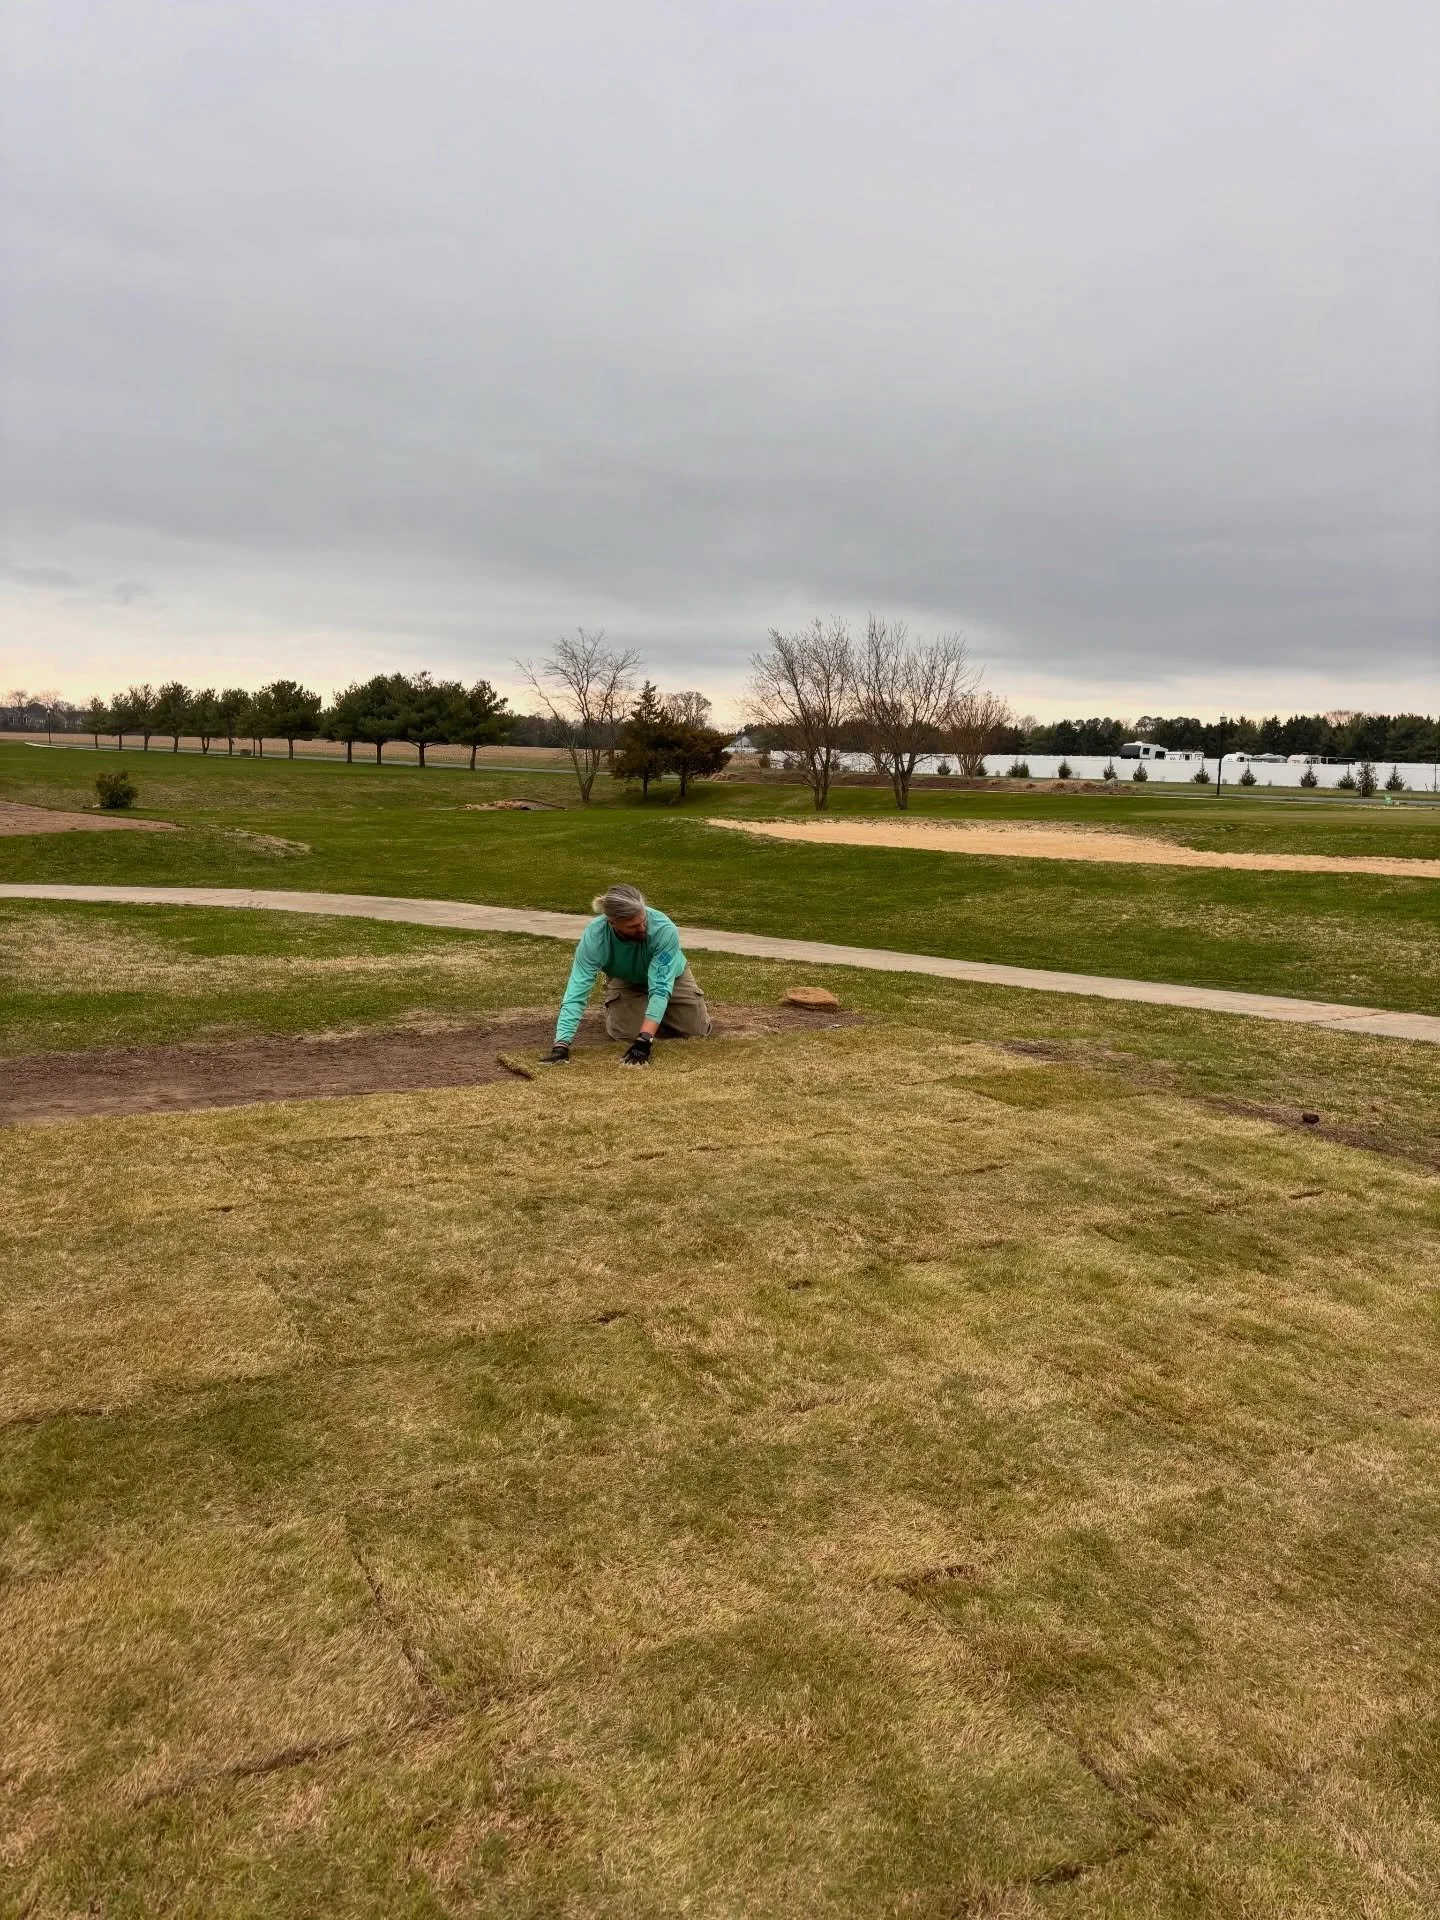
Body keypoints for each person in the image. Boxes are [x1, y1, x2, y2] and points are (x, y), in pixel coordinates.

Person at [540, 883, 711, 1068]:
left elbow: (661, 986)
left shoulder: (664, 929)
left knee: (697, 1031)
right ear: (612, 922)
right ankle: (628, 1010)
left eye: (643, 920)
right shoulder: (595, 936)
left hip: (673, 977)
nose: (643, 928)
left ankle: (654, 1016)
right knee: (626, 1034)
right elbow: (577, 989)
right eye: (633, 926)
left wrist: (644, 1041)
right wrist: (561, 1045)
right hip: (626, 981)